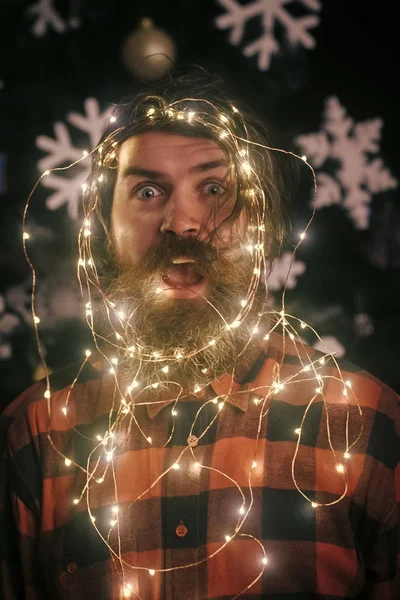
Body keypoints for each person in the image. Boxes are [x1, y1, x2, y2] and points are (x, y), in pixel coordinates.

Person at [1, 67, 399, 600]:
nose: (182, 222)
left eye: (213, 188)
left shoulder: (364, 423)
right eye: (146, 190)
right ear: (102, 227)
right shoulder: (38, 435)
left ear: (261, 219)